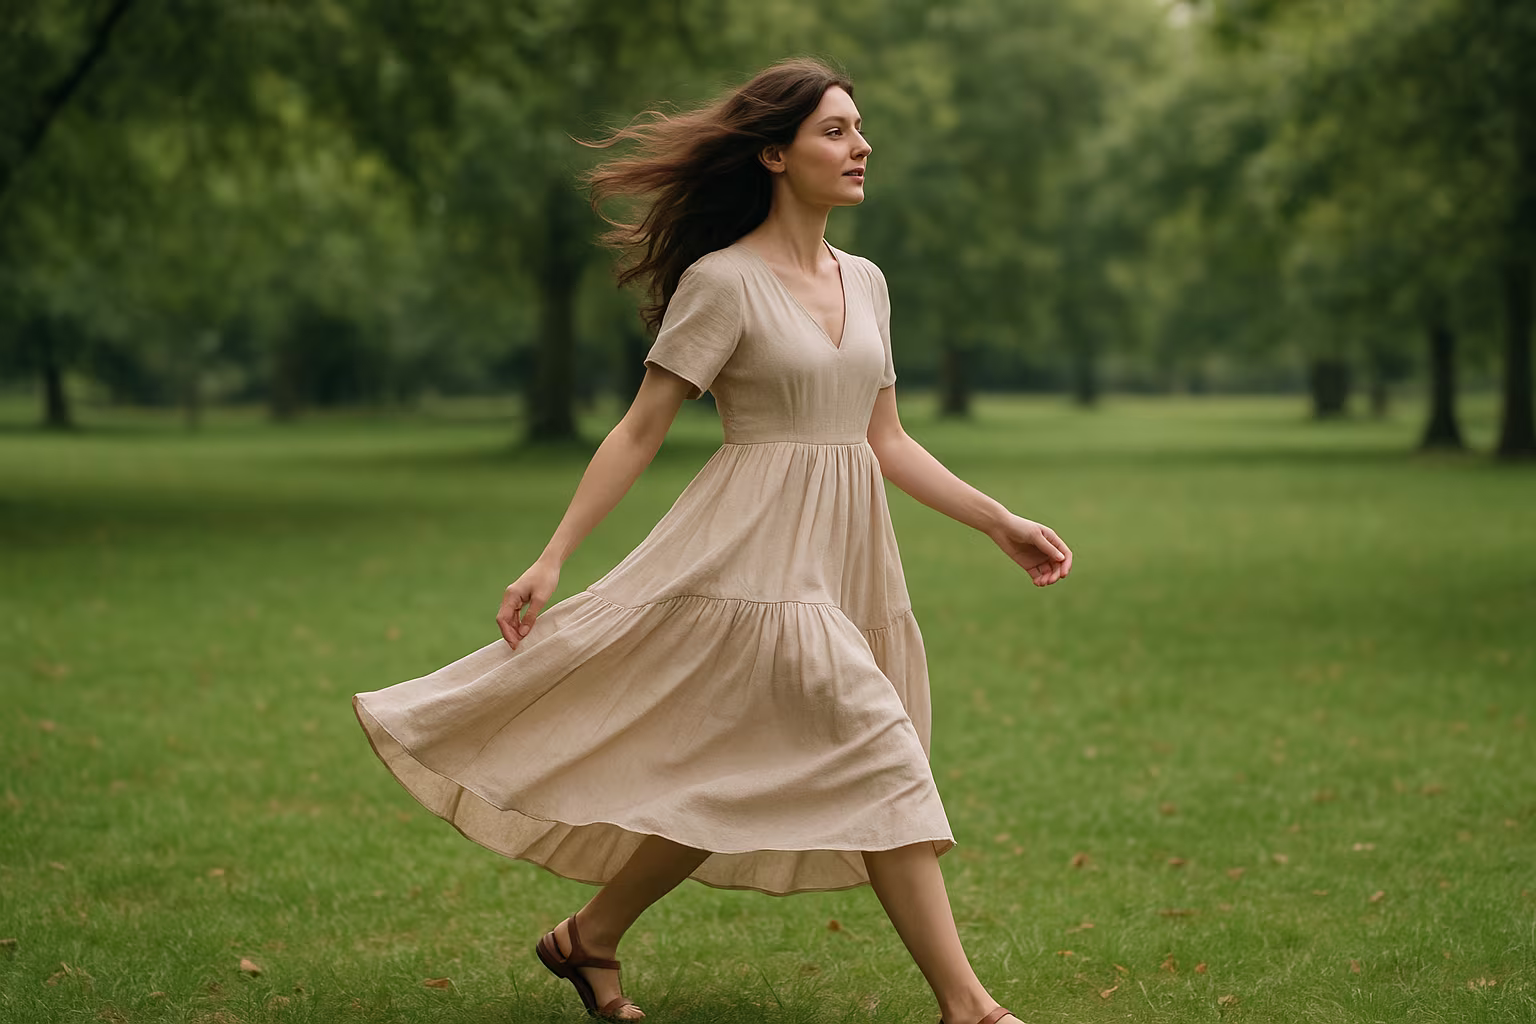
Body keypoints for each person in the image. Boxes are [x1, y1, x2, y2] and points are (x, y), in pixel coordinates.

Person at [352, 56, 1072, 1024]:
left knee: (739, 769)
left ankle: (588, 940)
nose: (861, 146)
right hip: (750, 554)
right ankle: (971, 1009)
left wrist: (1001, 520)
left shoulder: (868, 281)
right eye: (836, 131)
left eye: (860, 129)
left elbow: (885, 437)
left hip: (846, 553)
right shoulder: (723, 282)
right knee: (879, 747)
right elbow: (642, 426)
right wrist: (553, 553)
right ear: (774, 154)